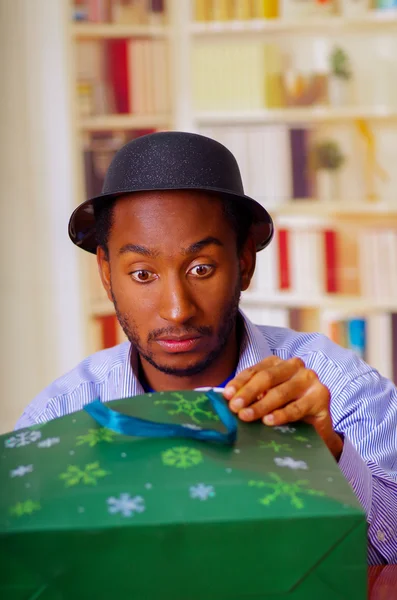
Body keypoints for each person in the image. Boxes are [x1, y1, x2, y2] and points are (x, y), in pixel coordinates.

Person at [16, 131, 396, 564]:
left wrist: (329, 452)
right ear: (106, 272)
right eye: (142, 274)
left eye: (201, 268)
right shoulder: (58, 417)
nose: (177, 310)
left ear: (245, 262)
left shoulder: (340, 389)